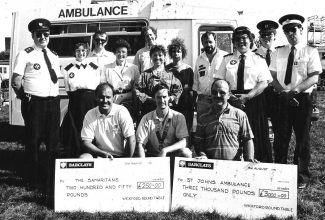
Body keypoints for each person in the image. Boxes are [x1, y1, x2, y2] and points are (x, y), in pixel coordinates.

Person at [11, 18, 61, 205]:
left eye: (46, 34)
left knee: (53, 142)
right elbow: (16, 81)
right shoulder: (24, 54)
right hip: (35, 103)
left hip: (52, 103)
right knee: (33, 140)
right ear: (32, 35)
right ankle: (32, 179)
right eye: (38, 34)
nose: (42, 37)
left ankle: (51, 179)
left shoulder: (54, 55)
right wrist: (25, 98)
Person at [269, 14, 322, 189]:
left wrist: (295, 91)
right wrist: (284, 92)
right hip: (282, 98)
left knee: (302, 139)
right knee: (281, 138)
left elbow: (314, 77)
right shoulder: (279, 51)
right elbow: (273, 77)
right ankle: (281, 174)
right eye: (286, 30)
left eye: (293, 29)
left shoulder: (310, 51)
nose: (290, 33)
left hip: (302, 99)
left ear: (301, 30)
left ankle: (301, 177)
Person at [216, 26, 273, 163]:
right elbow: (219, 81)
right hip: (231, 101)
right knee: (232, 134)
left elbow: (264, 82)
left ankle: (258, 168)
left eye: (244, 38)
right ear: (234, 42)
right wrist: (231, 96)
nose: (241, 41)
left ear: (251, 41)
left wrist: (247, 97)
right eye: (238, 39)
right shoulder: (226, 60)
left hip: (254, 101)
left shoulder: (258, 59)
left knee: (256, 136)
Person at [194, 79, 256, 161]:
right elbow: (198, 142)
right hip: (211, 167)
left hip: (234, 167)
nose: (218, 95)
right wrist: (202, 155)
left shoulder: (240, 115)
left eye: (222, 93)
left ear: (229, 95)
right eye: (214, 92)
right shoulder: (203, 117)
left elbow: (247, 139)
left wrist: (249, 160)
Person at [61, 42, 101, 157]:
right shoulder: (68, 68)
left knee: (91, 124)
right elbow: (68, 88)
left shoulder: (94, 67)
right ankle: (78, 150)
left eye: (83, 51)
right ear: (74, 52)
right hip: (76, 100)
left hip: (90, 99)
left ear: (87, 52)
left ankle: (93, 151)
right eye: (78, 50)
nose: (81, 53)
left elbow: (97, 85)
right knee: (77, 125)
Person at [80, 82, 136, 158]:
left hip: (121, 157)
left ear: (113, 97)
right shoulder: (90, 114)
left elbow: (131, 139)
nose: (105, 100)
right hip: (101, 156)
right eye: (101, 97)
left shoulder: (122, 111)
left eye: (108, 97)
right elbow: (86, 142)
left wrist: (126, 161)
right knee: (83, 158)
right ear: (96, 97)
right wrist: (103, 154)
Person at [136, 83, 192, 158]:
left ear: (169, 97)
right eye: (158, 97)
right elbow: (140, 144)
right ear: (154, 98)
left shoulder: (178, 116)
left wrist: (165, 150)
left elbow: (184, 141)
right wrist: (143, 164)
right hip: (153, 157)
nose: (162, 100)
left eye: (164, 97)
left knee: (186, 152)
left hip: (171, 156)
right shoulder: (146, 118)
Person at [135, 45, 183, 120]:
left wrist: (170, 98)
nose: (157, 57)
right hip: (149, 111)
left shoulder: (170, 75)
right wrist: (149, 99)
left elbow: (178, 90)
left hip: (167, 113)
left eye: (160, 55)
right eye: (155, 55)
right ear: (151, 57)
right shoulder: (145, 75)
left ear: (164, 58)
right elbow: (137, 91)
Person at [102, 39, 140, 121]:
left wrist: (123, 96)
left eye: (123, 52)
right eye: (118, 51)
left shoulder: (134, 68)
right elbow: (103, 87)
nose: (121, 54)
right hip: (112, 101)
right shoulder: (107, 68)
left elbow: (137, 88)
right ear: (115, 53)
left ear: (127, 53)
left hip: (129, 101)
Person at [193, 31, 227, 120]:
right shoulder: (199, 59)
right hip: (203, 100)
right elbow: (196, 80)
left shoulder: (225, 56)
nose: (208, 44)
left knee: (218, 125)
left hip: (219, 98)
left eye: (210, 42)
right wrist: (195, 100)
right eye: (205, 42)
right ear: (202, 43)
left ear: (215, 41)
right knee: (202, 125)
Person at [256, 20, 280, 141]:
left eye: (269, 34)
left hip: (278, 97)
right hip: (261, 97)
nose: (266, 37)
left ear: (275, 36)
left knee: (280, 131)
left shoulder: (281, 53)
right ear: (259, 37)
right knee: (260, 130)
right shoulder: (254, 55)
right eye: (263, 35)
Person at [166, 37, 195, 131]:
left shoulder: (189, 69)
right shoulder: (166, 69)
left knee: (186, 128)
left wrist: (193, 103)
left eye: (178, 51)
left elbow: (192, 88)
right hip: (172, 104)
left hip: (186, 104)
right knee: (172, 129)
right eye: (173, 51)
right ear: (170, 53)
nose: (176, 54)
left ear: (183, 53)